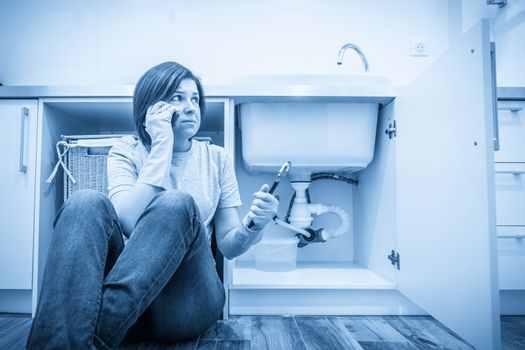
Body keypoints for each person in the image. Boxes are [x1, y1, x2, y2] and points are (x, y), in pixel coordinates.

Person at [27, 61, 279, 349]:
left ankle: (86, 337)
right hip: (130, 308)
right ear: (150, 108)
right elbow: (127, 221)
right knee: (84, 201)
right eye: (177, 98)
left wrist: (253, 226)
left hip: (187, 302)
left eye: (194, 99)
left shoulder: (216, 158)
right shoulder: (125, 151)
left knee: (175, 204)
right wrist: (162, 147)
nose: (190, 107)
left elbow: (229, 246)